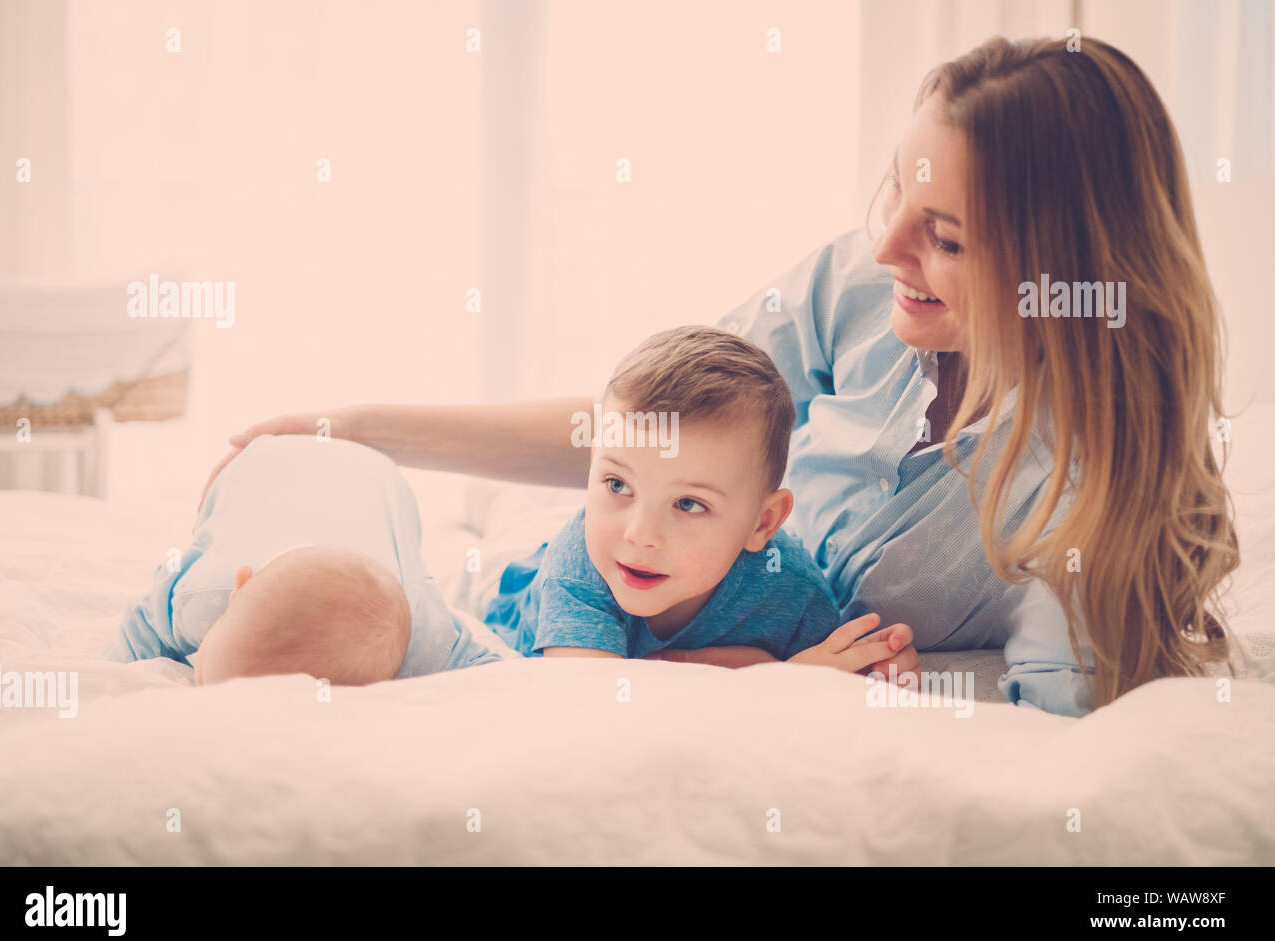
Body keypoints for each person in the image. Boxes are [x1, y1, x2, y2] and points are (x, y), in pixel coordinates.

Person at [204, 35, 1238, 716]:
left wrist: (778, 688)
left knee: (363, 618)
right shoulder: (857, 292)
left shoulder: (1081, 498)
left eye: (947, 237)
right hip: (562, 605)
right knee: (330, 511)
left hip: (602, 669)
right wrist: (362, 422)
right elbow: (646, 433)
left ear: (1058, 270)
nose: (884, 247)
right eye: (895, 195)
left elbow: (1028, 715)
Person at [484, 324, 914, 670]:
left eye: (688, 504)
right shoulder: (579, 570)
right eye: (617, 484)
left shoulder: (793, 591)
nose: (640, 534)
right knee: (501, 527)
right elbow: (599, 715)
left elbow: (840, 672)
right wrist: (766, 672)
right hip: (515, 592)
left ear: (762, 523)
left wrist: (880, 668)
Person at [108, 435, 514, 684]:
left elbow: (490, 675)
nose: (198, 680)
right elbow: (143, 620)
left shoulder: (422, 636)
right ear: (239, 588)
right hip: (257, 464)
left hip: (375, 474)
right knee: (210, 528)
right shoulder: (200, 599)